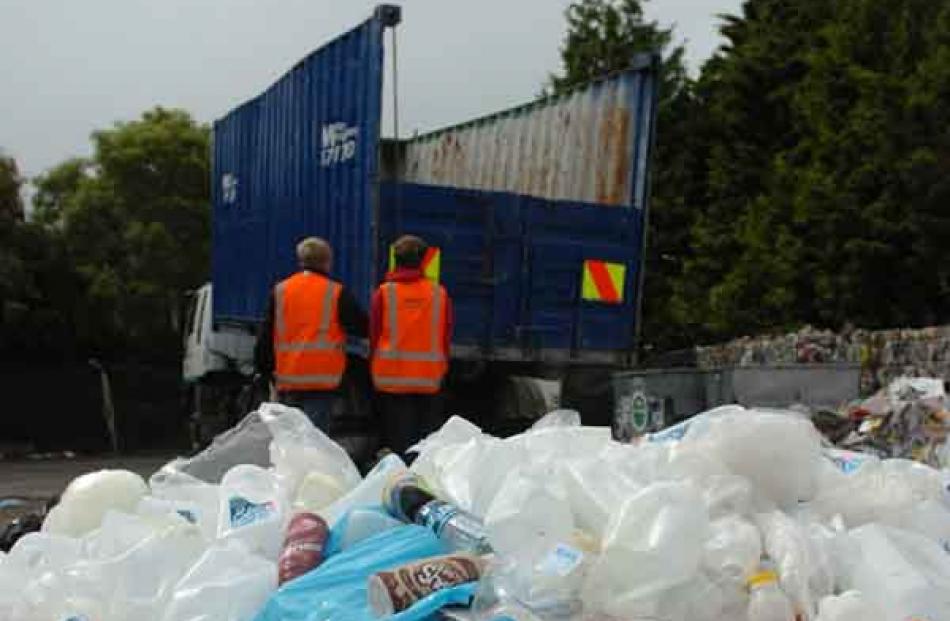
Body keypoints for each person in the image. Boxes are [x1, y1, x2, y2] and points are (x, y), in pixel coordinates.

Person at [255, 237, 368, 431]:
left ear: (301, 261)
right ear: (327, 261)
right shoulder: (336, 292)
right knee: (314, 440)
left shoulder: (281, 290)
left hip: (289, 378)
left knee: (290, 436)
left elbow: (266, 333)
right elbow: (362, 326)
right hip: (321, 380)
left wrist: (264, 369)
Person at [370, 235, 453, 458]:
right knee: (426, 445)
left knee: (400, 443)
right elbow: (445, 336)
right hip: (429, 379)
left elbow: (374, 336)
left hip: (392, 380)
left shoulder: (384, 293)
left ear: (395, 259)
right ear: (424, 261)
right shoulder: (439, 294)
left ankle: (401, 485)